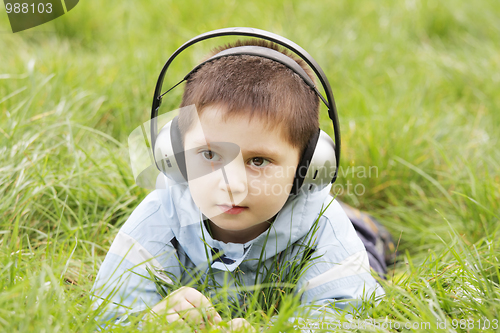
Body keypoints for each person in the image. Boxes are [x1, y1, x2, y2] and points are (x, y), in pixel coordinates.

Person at [90, 35, 392, 331]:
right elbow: (109, 315)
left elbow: (347, 319)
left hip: (343, 237)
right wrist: (150, 322)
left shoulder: (323, 225)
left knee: (368, 246)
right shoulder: (160, 216)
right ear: (175, 153)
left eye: (258, 161)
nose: (231, 185)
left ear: (308, 167)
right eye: (209, 154)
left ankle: (364, 224)